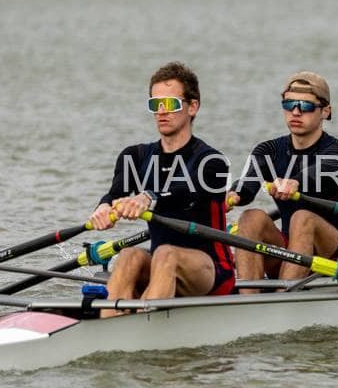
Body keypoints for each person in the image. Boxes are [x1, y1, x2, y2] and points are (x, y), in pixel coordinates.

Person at [90, 62, 234, 317]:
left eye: (171, 104)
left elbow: (183, 191)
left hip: (210, 270)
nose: (162, 111)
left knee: (167, 254)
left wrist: (148, 197)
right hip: (159, 263)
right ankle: (109, 323)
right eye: (156, 104)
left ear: (192, 107)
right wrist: (103, 208)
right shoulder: (135, 156)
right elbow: (115, 194)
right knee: (130, 255)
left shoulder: (213, 162)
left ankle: (141, 325)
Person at [227, 71, 338, 293]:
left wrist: (296, 182)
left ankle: (282, 299)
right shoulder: (268, 150)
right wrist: (233, 195)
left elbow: (320, 170)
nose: (296, 112)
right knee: (251, 217)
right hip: (292, 252)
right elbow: (248, 185)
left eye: (306, 106)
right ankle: (248, 299)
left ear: (325, 111)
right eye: (289, 104)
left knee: (302, 217)